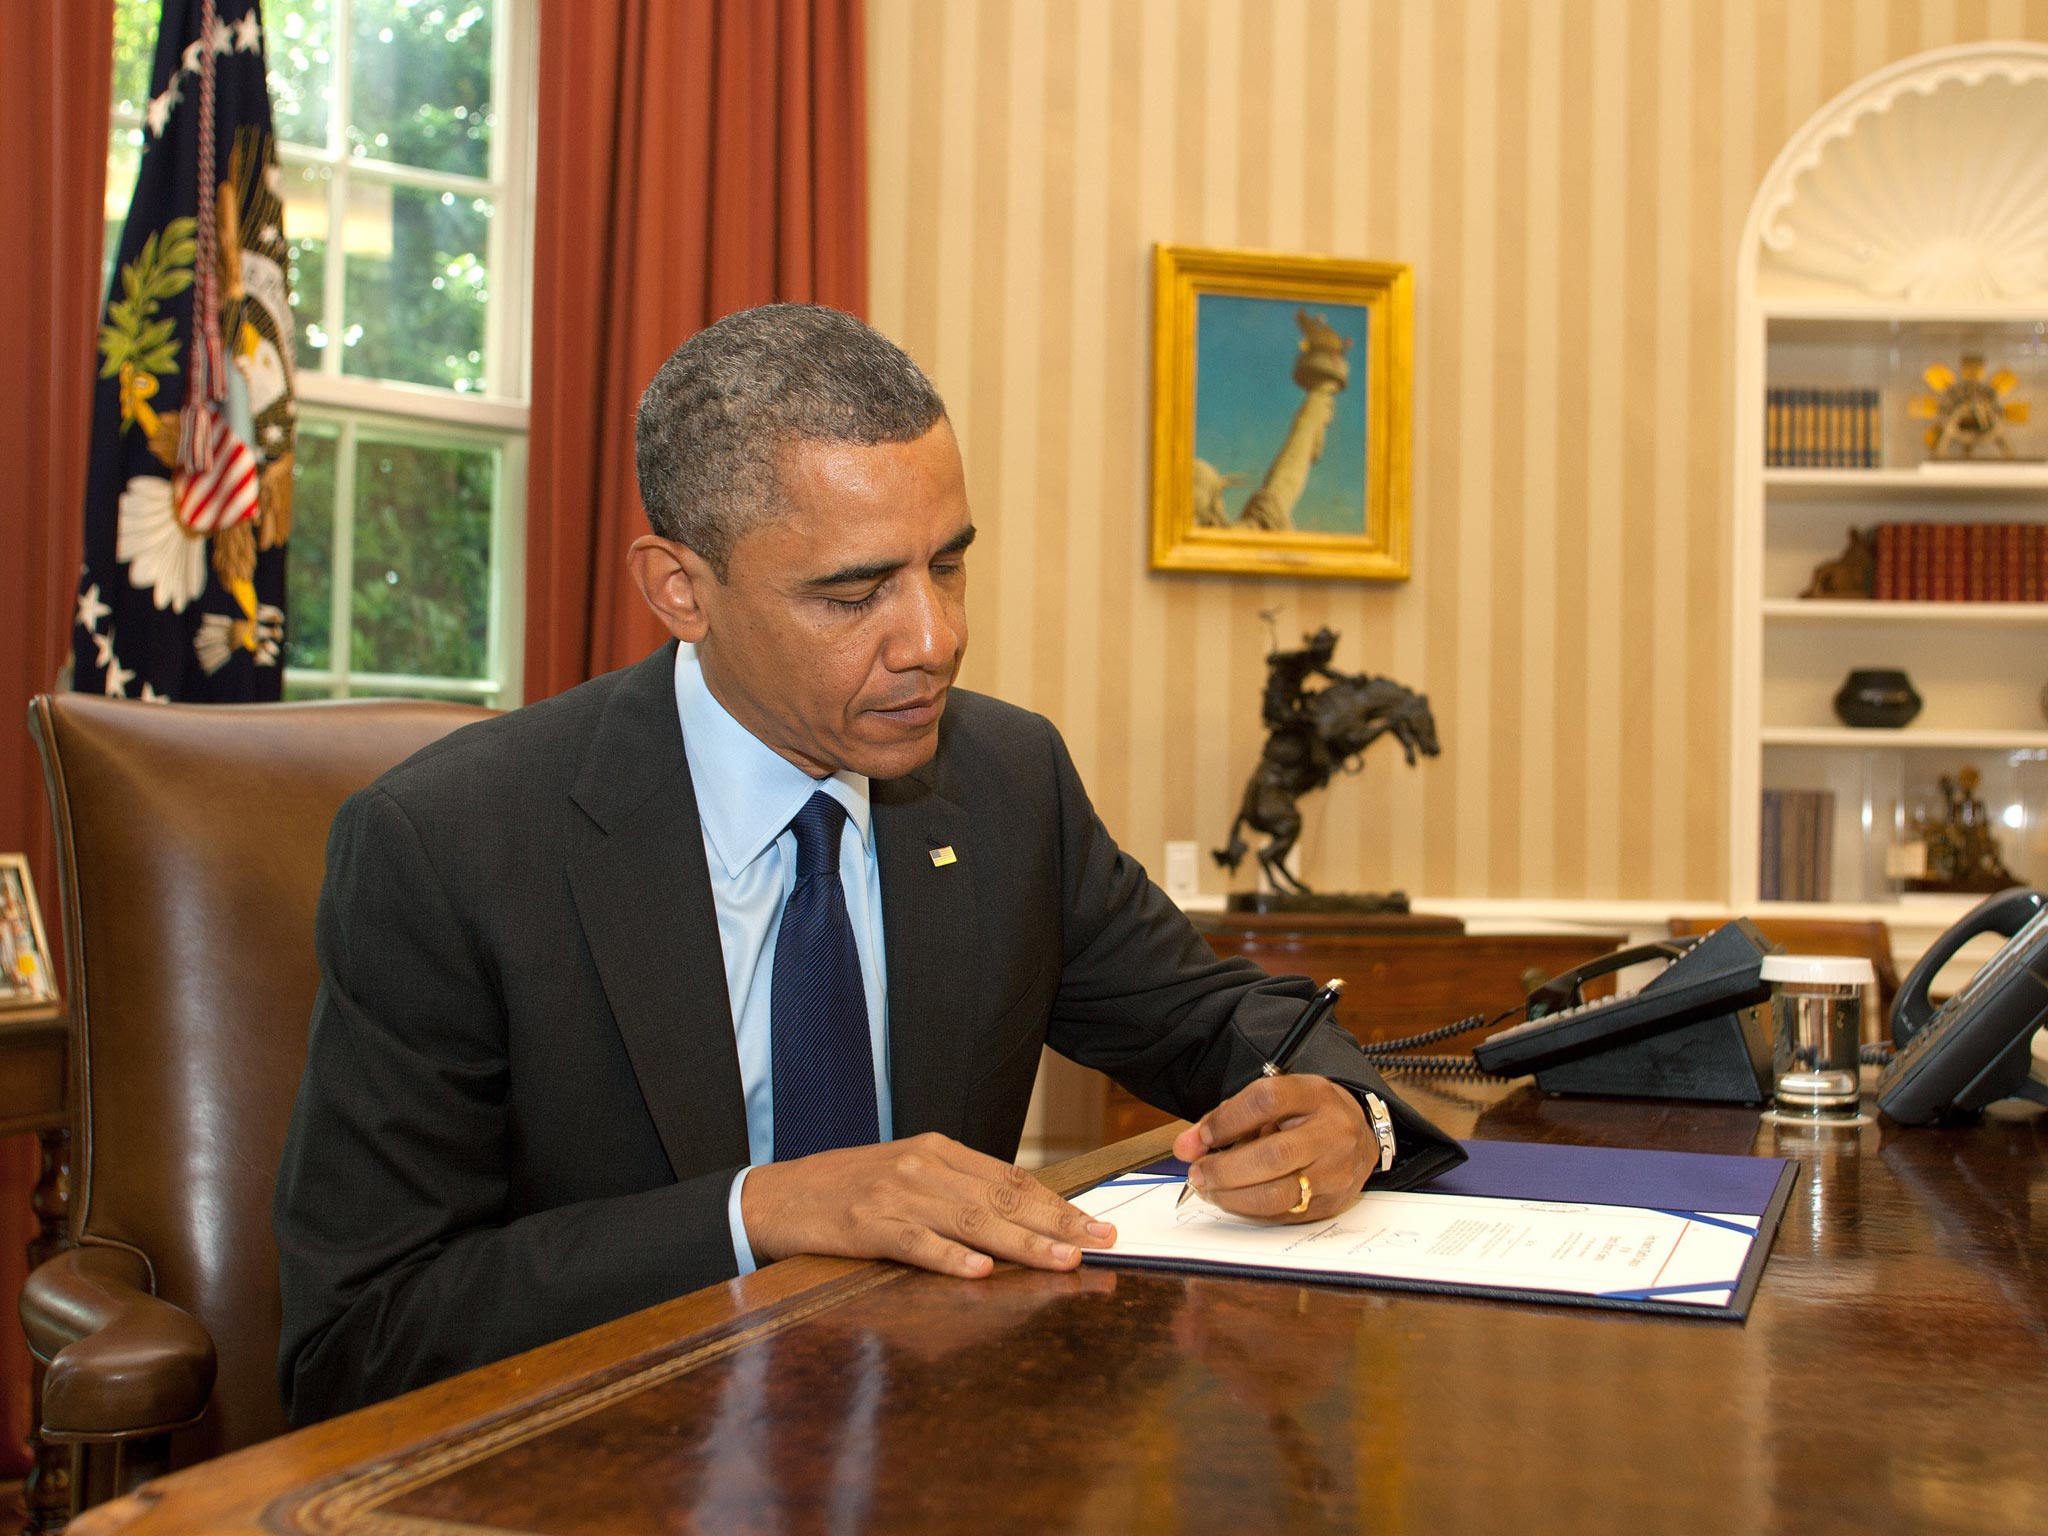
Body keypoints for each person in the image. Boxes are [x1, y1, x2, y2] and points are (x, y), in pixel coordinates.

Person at [272, 305, 1464, 1425]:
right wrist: (765, 1210)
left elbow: (1217, 1017)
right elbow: (363, 1334)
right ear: (679, 588)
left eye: (946, 565)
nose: (934, 639)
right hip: (611, 1456)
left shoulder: (1005, 782)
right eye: (855, 594)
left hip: (939, 1436)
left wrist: (1345, 1114)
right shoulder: (452, 846)